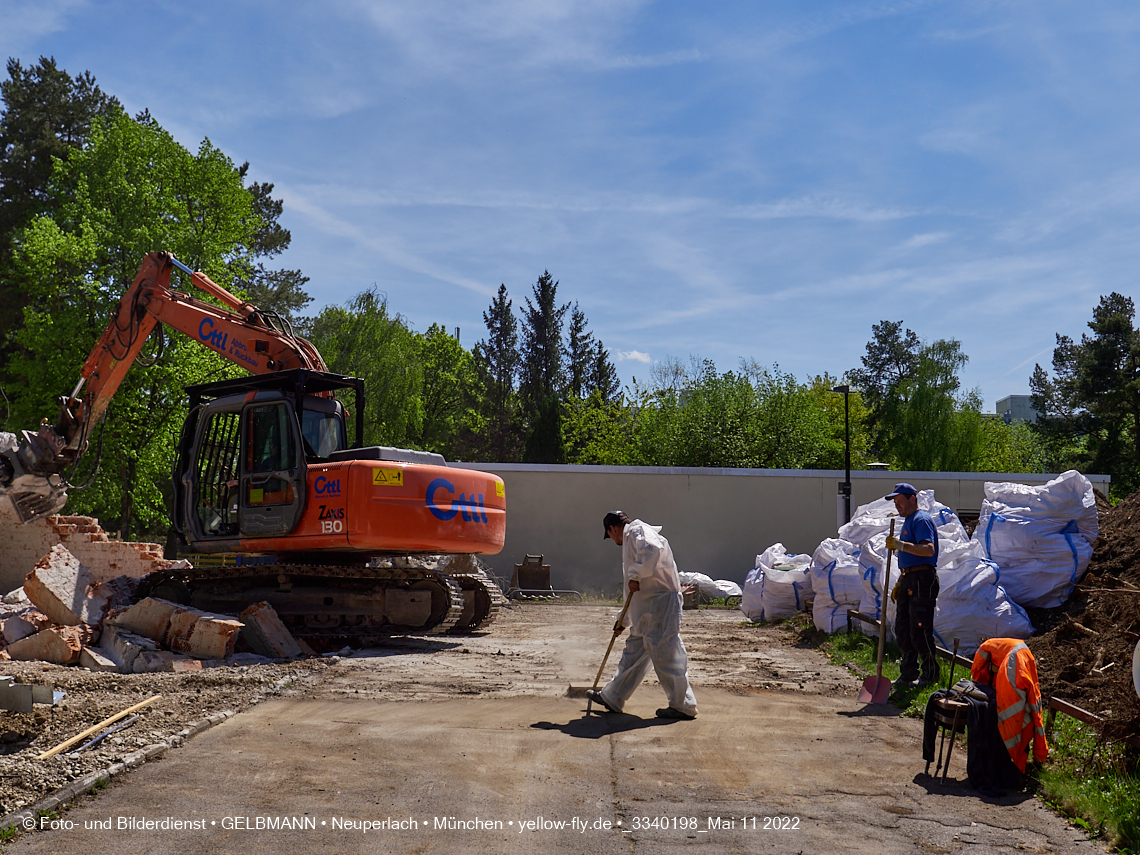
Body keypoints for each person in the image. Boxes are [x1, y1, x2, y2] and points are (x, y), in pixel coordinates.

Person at [586, 511, 699, 720]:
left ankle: (683, 705)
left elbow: (652, 551)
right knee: (634, 652)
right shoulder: (631, 540)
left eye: (610, 536)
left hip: (661, 603)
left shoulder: (638, 531)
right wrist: (623, 619)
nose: (613, 540)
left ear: (612, 529)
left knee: (666, 651)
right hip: (647, 606)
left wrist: (636, 573)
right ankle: (613, 697)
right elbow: (631, 591)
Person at [884, 483, 940, 686]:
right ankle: (908, 673)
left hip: (922, 580)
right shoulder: (908, 521)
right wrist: (900, 580)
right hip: (909, 578)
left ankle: (930, 673)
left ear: (912, 499)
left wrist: (900, 545)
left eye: (900, 501)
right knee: (903, 628)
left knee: (919, 628)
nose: (898, 506)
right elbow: (910, 558)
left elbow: (928, 550)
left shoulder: (921, 520)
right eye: (896, 503)